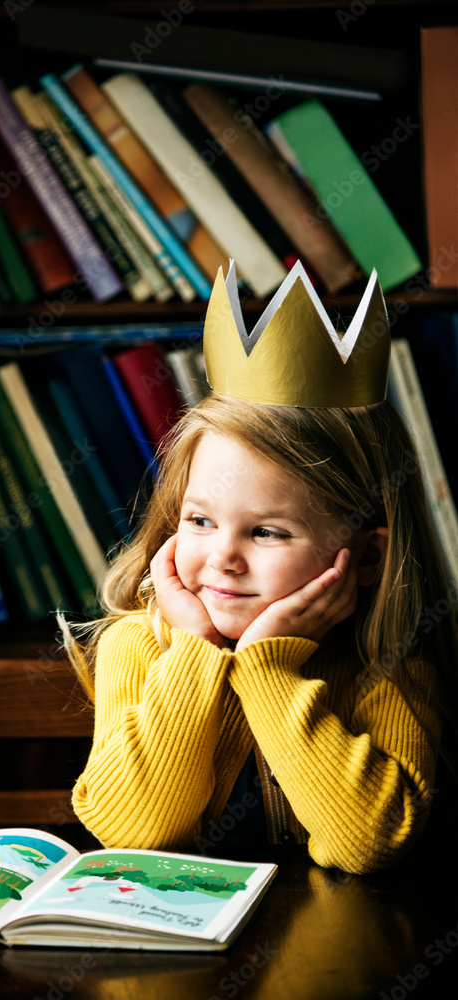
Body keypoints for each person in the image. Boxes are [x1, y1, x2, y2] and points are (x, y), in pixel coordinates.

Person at [62, 261, 458, 874]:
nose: (223, 556)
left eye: (268, 531)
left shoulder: (389, 666)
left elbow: (372, 844)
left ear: (370, 557)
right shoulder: (140, 646)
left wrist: (268, 666)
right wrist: (193, 650)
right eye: (199, 521)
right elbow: (132, 832)